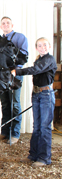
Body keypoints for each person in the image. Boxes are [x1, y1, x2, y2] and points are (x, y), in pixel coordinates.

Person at [12, 37, 57, 167]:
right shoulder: (39, 59)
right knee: (36, 127)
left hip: (46, 95)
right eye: (39, 45)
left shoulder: (49, 59)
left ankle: (44, 158)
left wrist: (17, 71)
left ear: (49, 47)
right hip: (37, 94)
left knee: (44, 127)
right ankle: (33, 155)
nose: (42, 47)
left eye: (44, 45)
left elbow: (35, 70)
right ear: (36, 48)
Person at [0, 16, 29, 144]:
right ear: (0, 26)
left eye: (8, 23)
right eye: (3, 23)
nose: (5, 25)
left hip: (15, 73)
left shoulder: (20, 37)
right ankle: (4, 132)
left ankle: (15, 133)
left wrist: (15, 70)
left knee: (15, 103)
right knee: (5, 103)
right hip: (2, 74)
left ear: (12, 25)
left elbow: (24, 55)